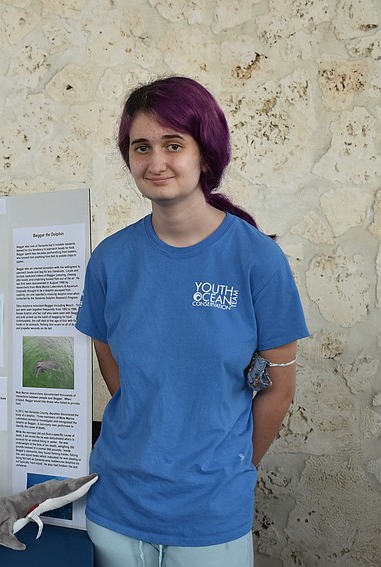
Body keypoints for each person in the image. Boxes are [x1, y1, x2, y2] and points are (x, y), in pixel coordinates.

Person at [75, 76, 309, 566]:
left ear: (206, 154)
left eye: (173, 144)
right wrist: (153, 417)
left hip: (211, 515)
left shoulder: (258, 260)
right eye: (141, 147)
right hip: (116, 504)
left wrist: (233, 467)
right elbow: (107, 352)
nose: (155, 162)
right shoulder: (110, 260)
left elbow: (279, 389)